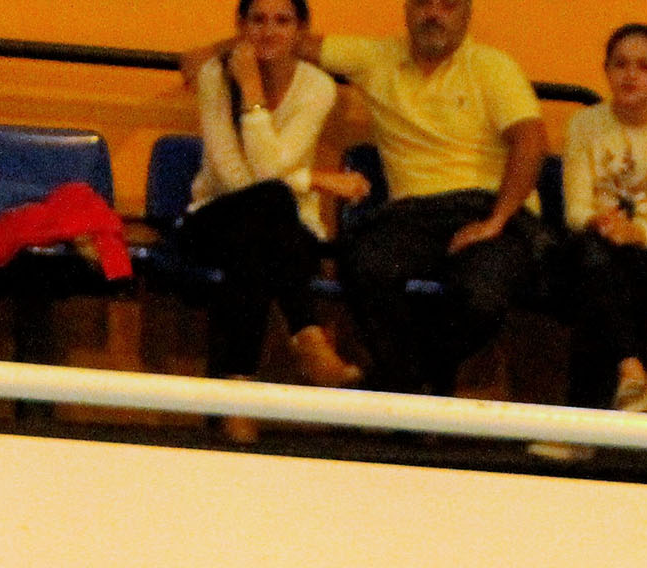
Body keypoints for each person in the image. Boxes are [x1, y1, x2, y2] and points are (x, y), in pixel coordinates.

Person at [191, 0, 546, 396]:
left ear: (467, 13)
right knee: (362, 264)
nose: (433, 14)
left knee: (481, 297)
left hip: (487, 208)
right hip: (413, 214)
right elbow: (285, 39)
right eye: (423, 3)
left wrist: (497, 220)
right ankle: (395, 385)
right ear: (407, 9)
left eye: (447, 5)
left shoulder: (494, 67)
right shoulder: (375, 56)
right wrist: (218, 51)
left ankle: (396, 383)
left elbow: (531, 141)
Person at [178, 0, 363, 442]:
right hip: (215, 216)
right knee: (271, 204)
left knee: (259, 245)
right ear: (241, 27)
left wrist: (255, 102)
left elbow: (269, 173)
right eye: (258, 20)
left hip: (283, 231)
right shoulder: (215, 77)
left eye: (283, 21)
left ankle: (238, 397)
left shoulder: (317, 87)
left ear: (301, 30)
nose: (269, 31)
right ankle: (308, 336)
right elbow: (235, 177)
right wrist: (314, 179)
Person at [556, 24, 647, 415]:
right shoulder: (584, 124)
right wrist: (603, 224)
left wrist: (636, 232)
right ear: (606, 70)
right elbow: (576, 210)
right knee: (597, 265)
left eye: (643, 66)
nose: (630, 75)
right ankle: (631, 372)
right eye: (620, 65)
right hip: (600, 241)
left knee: (598, 277)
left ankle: (579, 424)